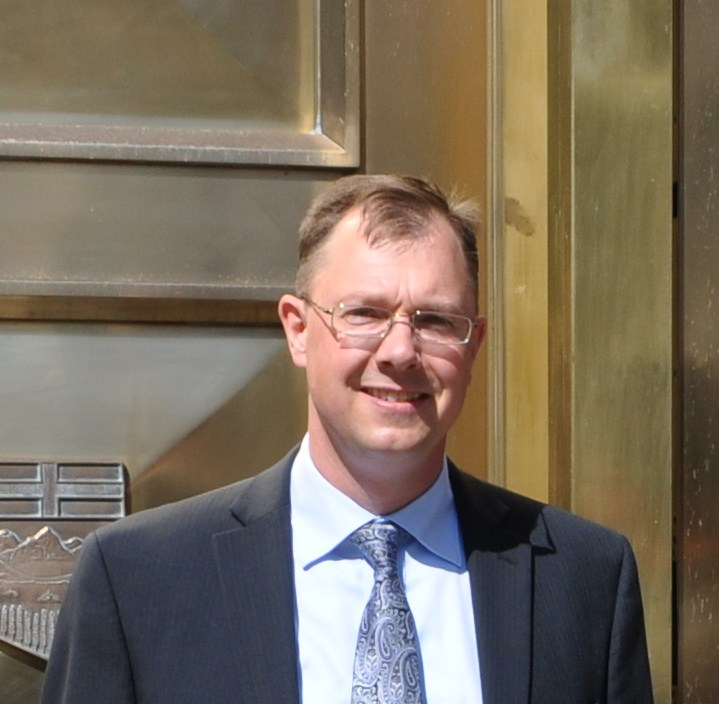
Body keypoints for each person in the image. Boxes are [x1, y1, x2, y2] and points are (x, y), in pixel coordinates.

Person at [39, 174, 653, 704]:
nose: (401, 351)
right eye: (364, 314)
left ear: (475, 344)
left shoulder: (583, 578)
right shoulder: (140, 580)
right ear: (299, 329)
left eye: (436, 321)